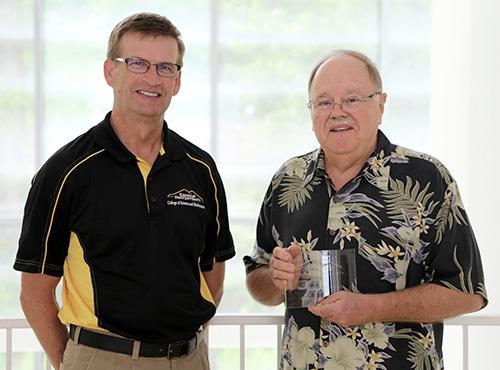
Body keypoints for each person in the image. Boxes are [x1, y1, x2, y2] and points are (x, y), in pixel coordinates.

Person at [14, 12, 235, 370]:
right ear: (110, 72)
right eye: (137, 63)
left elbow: (213, 276)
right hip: (103, 359)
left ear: (177, 81)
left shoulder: (201, 169)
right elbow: (34, 293)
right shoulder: (67, 171)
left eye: (166, 67)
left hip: (190, 359)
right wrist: (74, 362)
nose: (152, 77)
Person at [244, 50, 487, 369]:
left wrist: (371, 308)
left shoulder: (427, 179)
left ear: (381, 105)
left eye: (352, 99)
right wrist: (276, 279)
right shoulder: (288, 180)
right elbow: (259, 284)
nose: (337, 112)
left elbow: (466, 293)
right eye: (324, 102)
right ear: (311, 110)